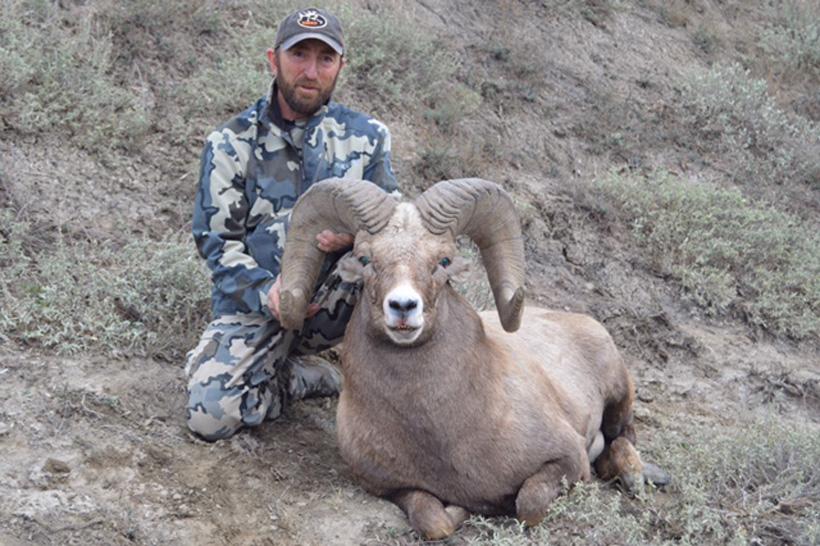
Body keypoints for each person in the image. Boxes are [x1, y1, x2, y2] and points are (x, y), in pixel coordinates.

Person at [185, 7, 399, 441]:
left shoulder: (368, 137)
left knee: (411, 278)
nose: (311, 70)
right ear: (273, 59)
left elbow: (394, 225)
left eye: (325, 59)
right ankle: (300, 376)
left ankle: (399, 384)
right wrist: (267, 293)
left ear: (341, 65)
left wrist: (354, 237)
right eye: (299, 54)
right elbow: (216, 243)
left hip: (342, 297)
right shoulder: (230, 142)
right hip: (262, 303)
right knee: (210, 417)